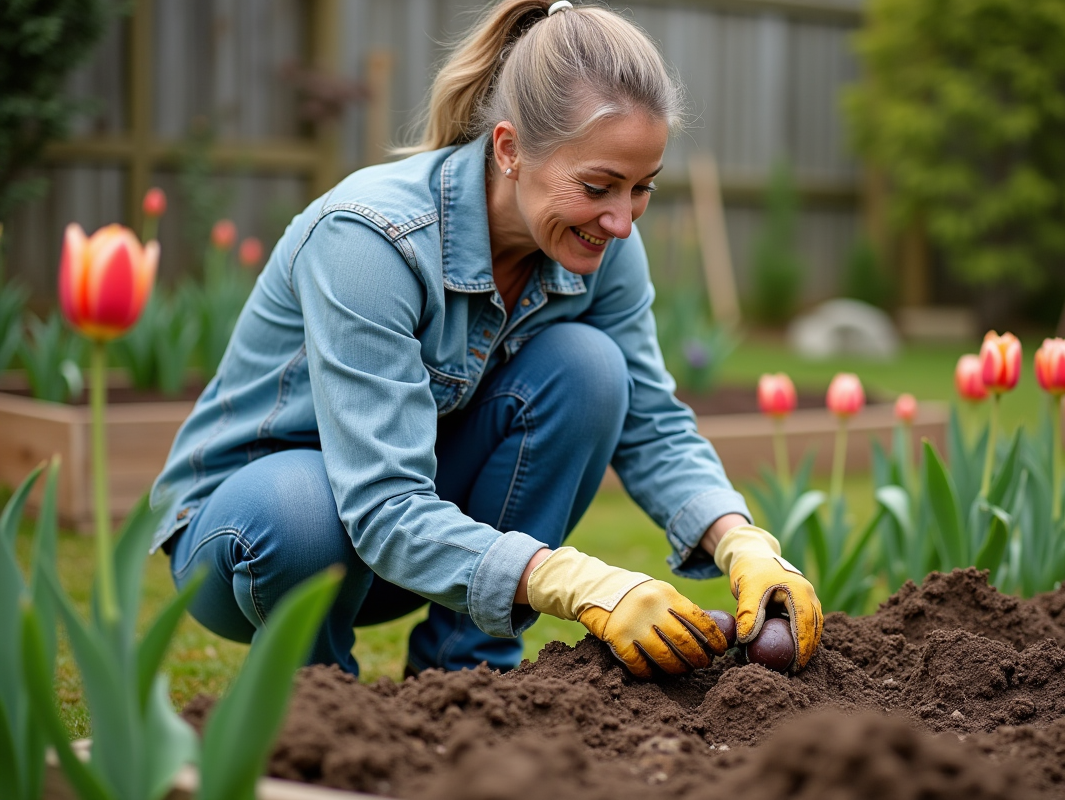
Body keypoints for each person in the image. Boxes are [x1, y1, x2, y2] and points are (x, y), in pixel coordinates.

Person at [151, 0, 823, 679]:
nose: (621, 221)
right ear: (509, 149)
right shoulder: (370, 240)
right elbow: (380, 501)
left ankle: (468, 680)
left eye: (642, 188)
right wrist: (578, 581)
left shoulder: (601, 243)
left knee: (591, 369)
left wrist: (742, 540)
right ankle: (320, 701)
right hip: (255, 538)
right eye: (598, 186)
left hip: (408, 551)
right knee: (304, 508)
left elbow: (651, 424)